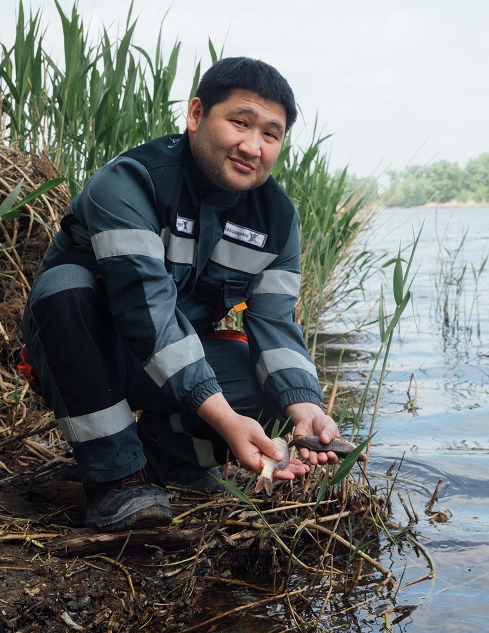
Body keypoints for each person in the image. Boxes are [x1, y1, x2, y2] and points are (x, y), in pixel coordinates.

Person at [20, 57, 341, 532]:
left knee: (274, 389)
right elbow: (144, 313)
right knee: (63, 289)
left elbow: (275, 323)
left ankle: (170, 455)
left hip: (174, 360)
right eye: (239, 122)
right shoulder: (132, 182)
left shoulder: (277, 219)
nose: (252, 146)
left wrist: (306, 406)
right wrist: (224, 416)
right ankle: (119, 478)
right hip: (90, 348)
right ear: (195, 116)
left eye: (270, 135)